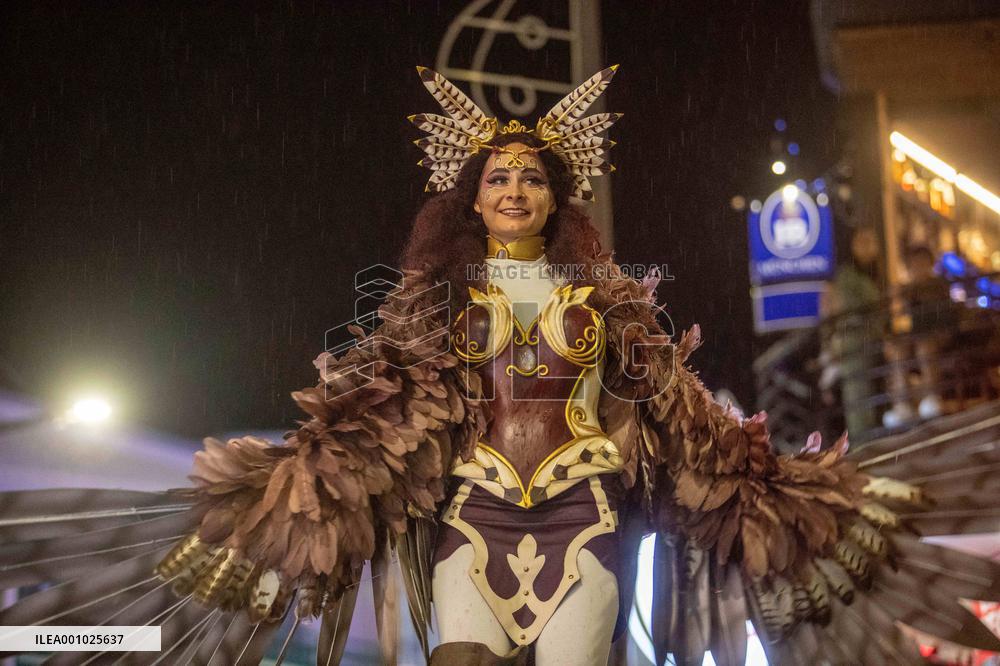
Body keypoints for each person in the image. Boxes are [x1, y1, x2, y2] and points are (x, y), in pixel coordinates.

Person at [1, 66, 999, 666]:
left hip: (584, 520)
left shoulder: (608, 304)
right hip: (472, 518)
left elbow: (689, 428)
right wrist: (260, 510)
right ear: (470, 200)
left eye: (531, 177)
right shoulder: (433, 307)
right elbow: (361, 432)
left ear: (556, 199)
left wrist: (801, 503)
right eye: (497, 177)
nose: (514, 187)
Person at [882, 245, 956, 427]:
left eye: (922, 263)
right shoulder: (908, 290)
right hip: (915, 336)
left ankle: (932, 398)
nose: (918, 267)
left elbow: (945, 317)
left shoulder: (939, 285)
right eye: (914, 264)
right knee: (898, 350)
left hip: (938, 334)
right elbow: (899, 317)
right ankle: (902, 405)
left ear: (930, 264)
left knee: (925, 347)